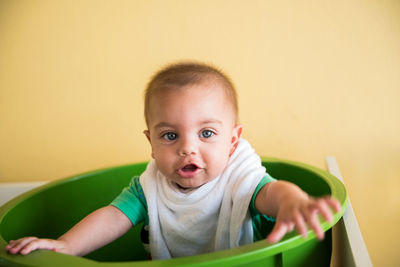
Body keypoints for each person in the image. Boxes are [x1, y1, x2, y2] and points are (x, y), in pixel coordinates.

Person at [5, 62, 341, 259]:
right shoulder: (150, 187)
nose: (187, 149)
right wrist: (64, 245)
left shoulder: (239, 175)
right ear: (151, 143)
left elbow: (270, 194)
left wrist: (294, 201)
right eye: (170, 136)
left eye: (207, 133)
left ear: (233, 141)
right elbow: (112, 218)